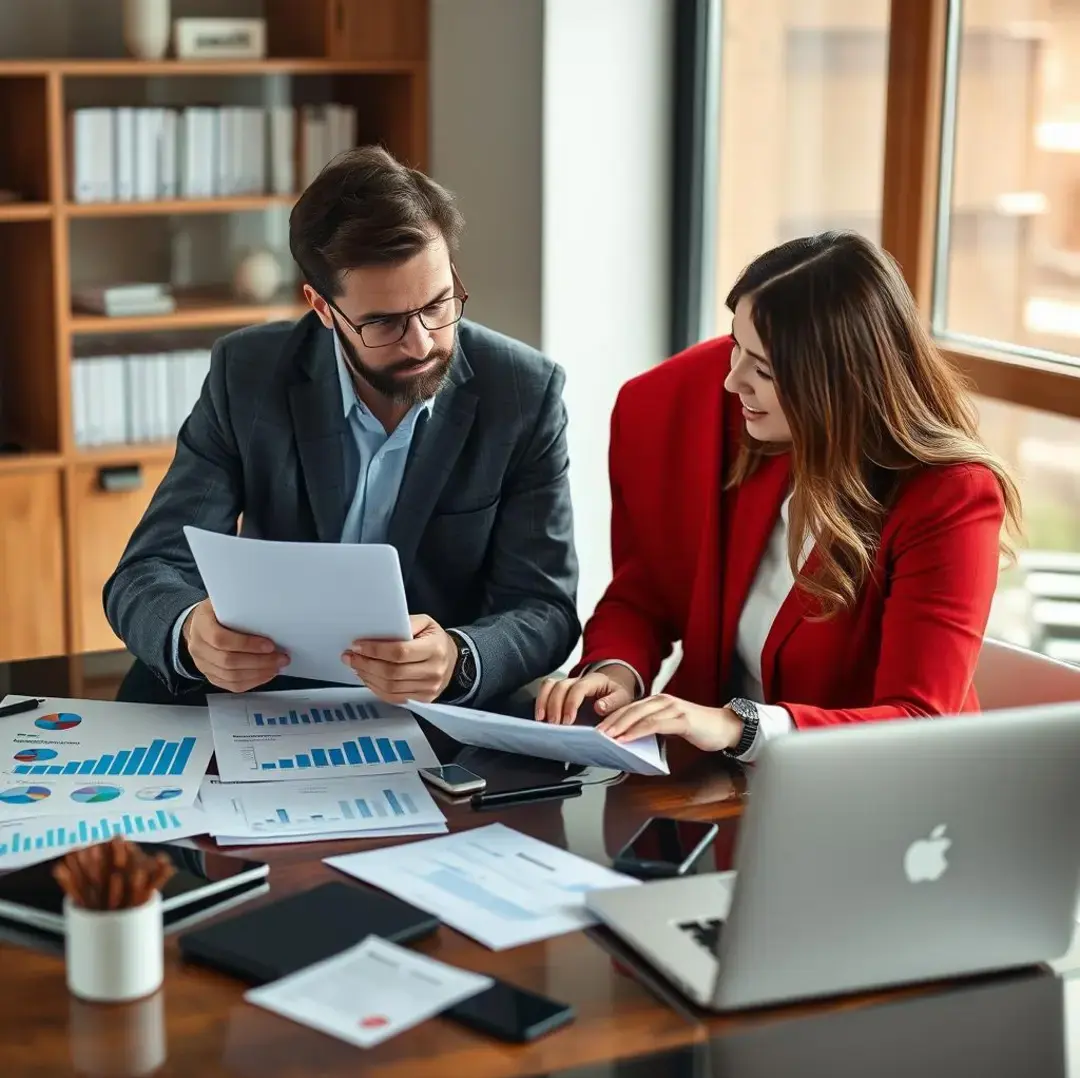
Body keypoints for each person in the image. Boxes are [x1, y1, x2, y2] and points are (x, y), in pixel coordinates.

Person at [105, 146, 579, 706]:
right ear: (321, 307)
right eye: (382, 322)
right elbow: (146, 570)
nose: (423, 342)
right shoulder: (248, 373)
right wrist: (190, 635)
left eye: (437, 304)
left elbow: (545, 606)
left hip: (437, 710)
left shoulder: (523, 391)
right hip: (267, 695)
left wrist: (459, 657)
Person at [536, 231, 1020, 766]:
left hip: (879, 796)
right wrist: (615, 671)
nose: (731, 381)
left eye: (763, 369)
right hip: (704, 785)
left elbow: (920, 718)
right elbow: (646, 589)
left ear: (840, 385)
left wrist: (736, 725)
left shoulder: (950, 497)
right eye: (735, 345)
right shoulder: (696, 412)